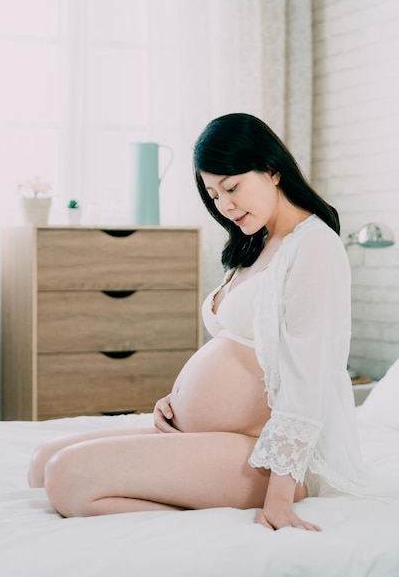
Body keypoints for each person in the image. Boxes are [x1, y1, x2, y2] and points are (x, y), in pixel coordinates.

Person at [28, 113, 363, 531]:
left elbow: (306, 379)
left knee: (67, 478)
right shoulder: (257, 243)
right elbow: (237, 351)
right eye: (213, 194)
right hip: (208, 436)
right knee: (42, 464)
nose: (224, 205)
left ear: (273, 171)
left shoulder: (314, 247)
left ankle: (208, 523)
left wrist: (278, 500)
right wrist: (179, 400)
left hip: (265, 454)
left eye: (232, 187)